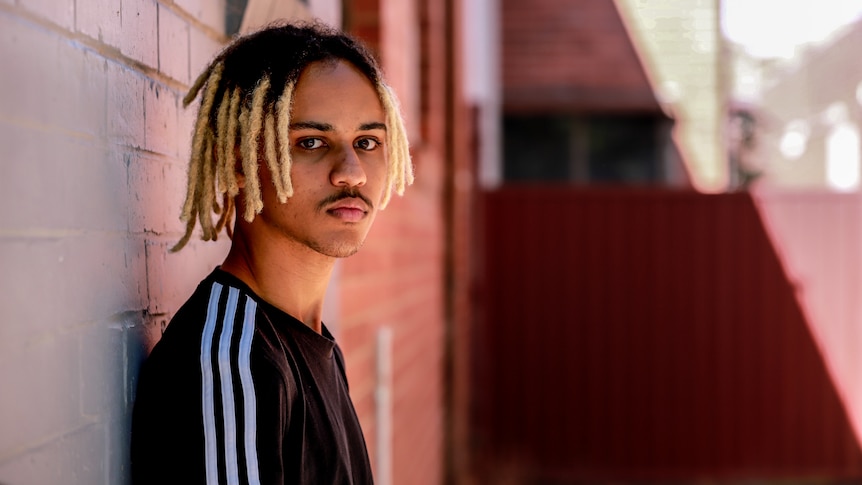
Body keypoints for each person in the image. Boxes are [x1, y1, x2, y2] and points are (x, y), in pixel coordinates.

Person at [130, 21, 413, 485]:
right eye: (311, 142)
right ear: (239, 161)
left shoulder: (311, 342)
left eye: (367, 142)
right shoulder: (231, 362)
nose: (352, 172)